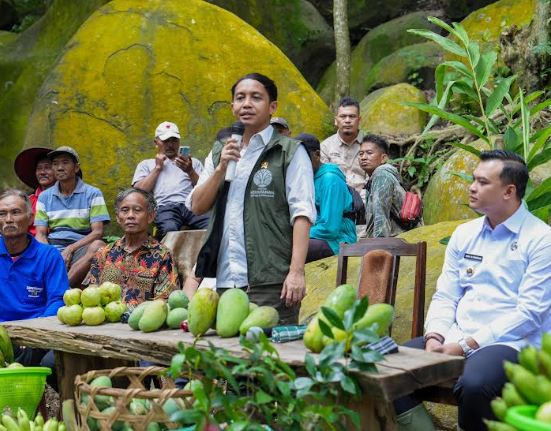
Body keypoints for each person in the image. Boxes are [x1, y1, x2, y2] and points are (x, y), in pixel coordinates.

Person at [394, 150, 551, 431]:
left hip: (513, 342)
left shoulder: (541, 240)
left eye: (482, 182)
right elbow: (446, 294)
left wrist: (465, 346)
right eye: (472, 179)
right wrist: (435, 335)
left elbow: (529, 313)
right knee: (389, 366)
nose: (471, 187)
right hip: (455, 335)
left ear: (508, 191)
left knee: (475, 384)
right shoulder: (465, 234)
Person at [190, 72, 316, 325]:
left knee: (271, 359)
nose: (246, 103)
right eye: (240, 98)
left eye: (256, 97)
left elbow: (302, 214)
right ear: (233, 106)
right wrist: (221, 167)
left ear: (272, 107)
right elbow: (197, 206)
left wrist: (296, 272)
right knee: (229, 358)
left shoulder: (289, 152)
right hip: (226, 279)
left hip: (272, 280)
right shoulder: (219, 153)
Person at [0, 189, 68, 383]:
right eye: (2, 214)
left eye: (15, 212)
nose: (8, 219)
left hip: (34, 337)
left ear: (31, 218)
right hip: (1, 335)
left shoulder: (48, 256)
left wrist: (33, 331)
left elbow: (57, 300)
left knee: (49, 363)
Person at [82, 188, 179, 310]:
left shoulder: (163, 256)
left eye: (137, 210)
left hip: (141, 324)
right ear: (118, 217)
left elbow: (164, 303)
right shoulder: (104, 253)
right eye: (125, 210)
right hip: (104, 323)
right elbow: (92, 294)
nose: (130, 216)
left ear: (150, 216)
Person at [34, 146, 110, 287]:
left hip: (81, 247)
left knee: (99, 246)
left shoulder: (93, 193)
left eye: (65, 162)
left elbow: (98, 232)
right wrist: (51, 254)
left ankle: (60, 289)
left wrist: (71, 248)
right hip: (53, 246)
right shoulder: (44, 197)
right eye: (55, 164)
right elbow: (40, 234)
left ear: (76, 168)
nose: (59, 168)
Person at [132, 121, 209, 239]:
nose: (170, 145)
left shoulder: (192, 162)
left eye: (174, 140)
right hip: (165, 207)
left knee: (211, 227)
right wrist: (157, 168)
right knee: (170, 231)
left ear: (179, 142)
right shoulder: (146, 164)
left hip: (191, 205)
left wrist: (190, 171)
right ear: (156, 142)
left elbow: (205, 190)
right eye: (166, 141)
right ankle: (170, 258)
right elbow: (139, 192)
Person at [296, 133, 356, 262]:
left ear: (317, 155)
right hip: (314, 234)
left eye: (303, 159)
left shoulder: (330, 179)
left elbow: (330, 228)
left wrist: (297, 234)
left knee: (289, 249)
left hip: (337, 240)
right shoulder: (305, 178)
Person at [359, 134, 408, 238]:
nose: (363, 157)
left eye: (369, 153)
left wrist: (378, 248)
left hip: (397, 242)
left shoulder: (382, 176)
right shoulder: (375, 178)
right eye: (361, 153)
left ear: (383, 158)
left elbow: (381, 217)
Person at [320, 97, 366, 195]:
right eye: (343, 116)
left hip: (366, 197)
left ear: (359, 120)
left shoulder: (370, 144)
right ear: (336, 120)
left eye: (352, 116)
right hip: (337, 196)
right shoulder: (325, 147)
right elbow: (324, 179)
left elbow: (374, 177)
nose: (347, 120)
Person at [14, 147, 56, 236]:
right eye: (39, 168)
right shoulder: (27, 201)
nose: (42, 172)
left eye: (47, 168)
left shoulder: (68, 199)